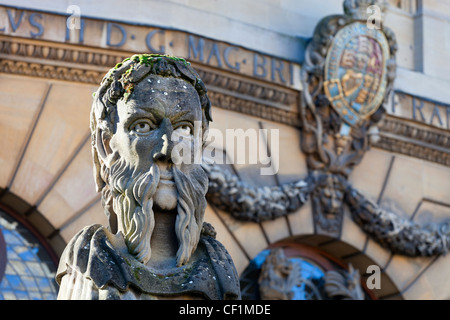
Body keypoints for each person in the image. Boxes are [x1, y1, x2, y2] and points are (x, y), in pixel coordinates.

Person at [56, 54, 241, 300]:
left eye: (184, 129)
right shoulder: (93, 259)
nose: (168, 151)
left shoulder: (218, 268)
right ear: (107, 145)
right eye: (143, 126)